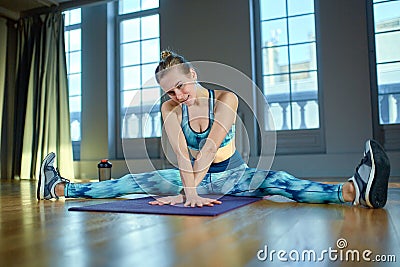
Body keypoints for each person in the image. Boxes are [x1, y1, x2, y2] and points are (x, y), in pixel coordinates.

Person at [37, 50, 391, 209]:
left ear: (193, 74)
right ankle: (58, 187)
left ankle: (352, 191)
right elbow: (181, 154)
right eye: (170, 91)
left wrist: (190, 194)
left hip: (235, 174)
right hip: (190, 175)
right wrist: (188, 190)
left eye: (181, 86)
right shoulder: (169, 108)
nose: (178, 94)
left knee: (281, 181)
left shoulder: (226, 97)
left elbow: (209, 149)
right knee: (130, 182)